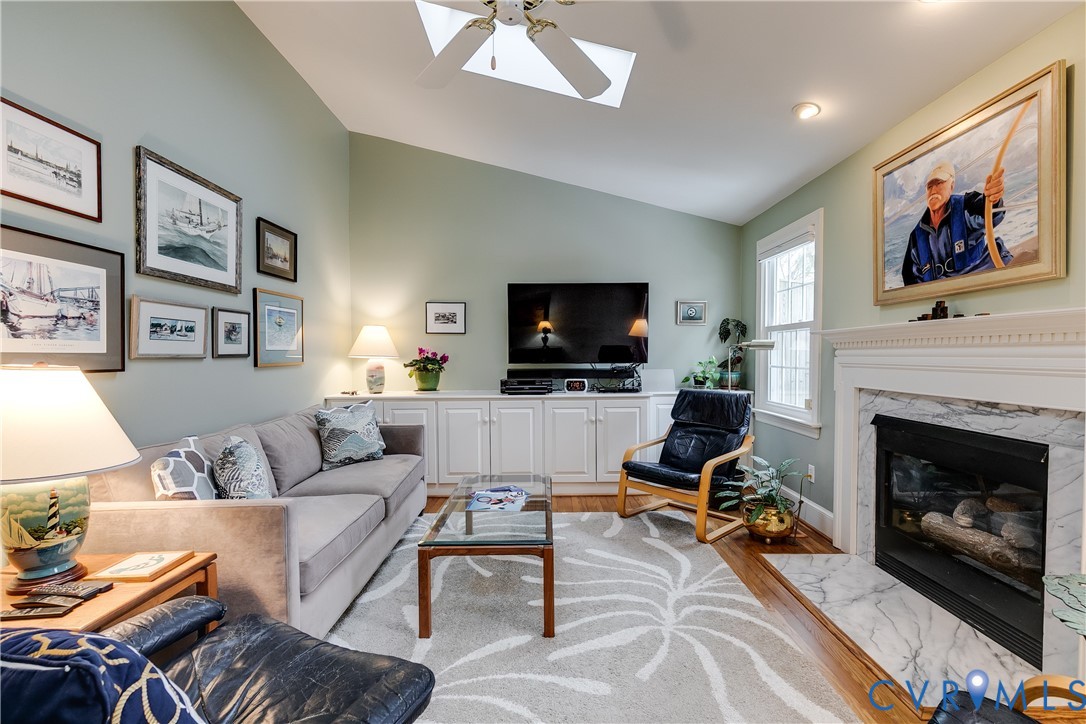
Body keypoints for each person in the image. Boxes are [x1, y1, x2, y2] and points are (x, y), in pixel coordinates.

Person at [901, 160, 1010, 286]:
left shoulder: (967, 205)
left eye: (939, 183)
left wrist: (993, 198)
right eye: (929, 186)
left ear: (952, 186)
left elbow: (991, 212)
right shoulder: (915, 236)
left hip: (982, 280)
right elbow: (909, 280)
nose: (933, 190)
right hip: (945, 294)